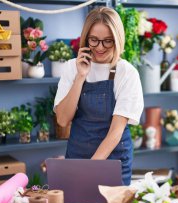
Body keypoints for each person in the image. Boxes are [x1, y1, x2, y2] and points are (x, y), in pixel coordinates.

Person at [54, 7, 144, 185]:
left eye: (107, 41)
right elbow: (63, 120)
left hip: (113, 158)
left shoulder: (126, 72)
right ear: (86, 38)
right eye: (94, 40)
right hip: (77, 155)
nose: (100, 48)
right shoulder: (72, 67)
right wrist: (80, 77)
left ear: (117, 40)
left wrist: (91, 169)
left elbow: (115, 132)